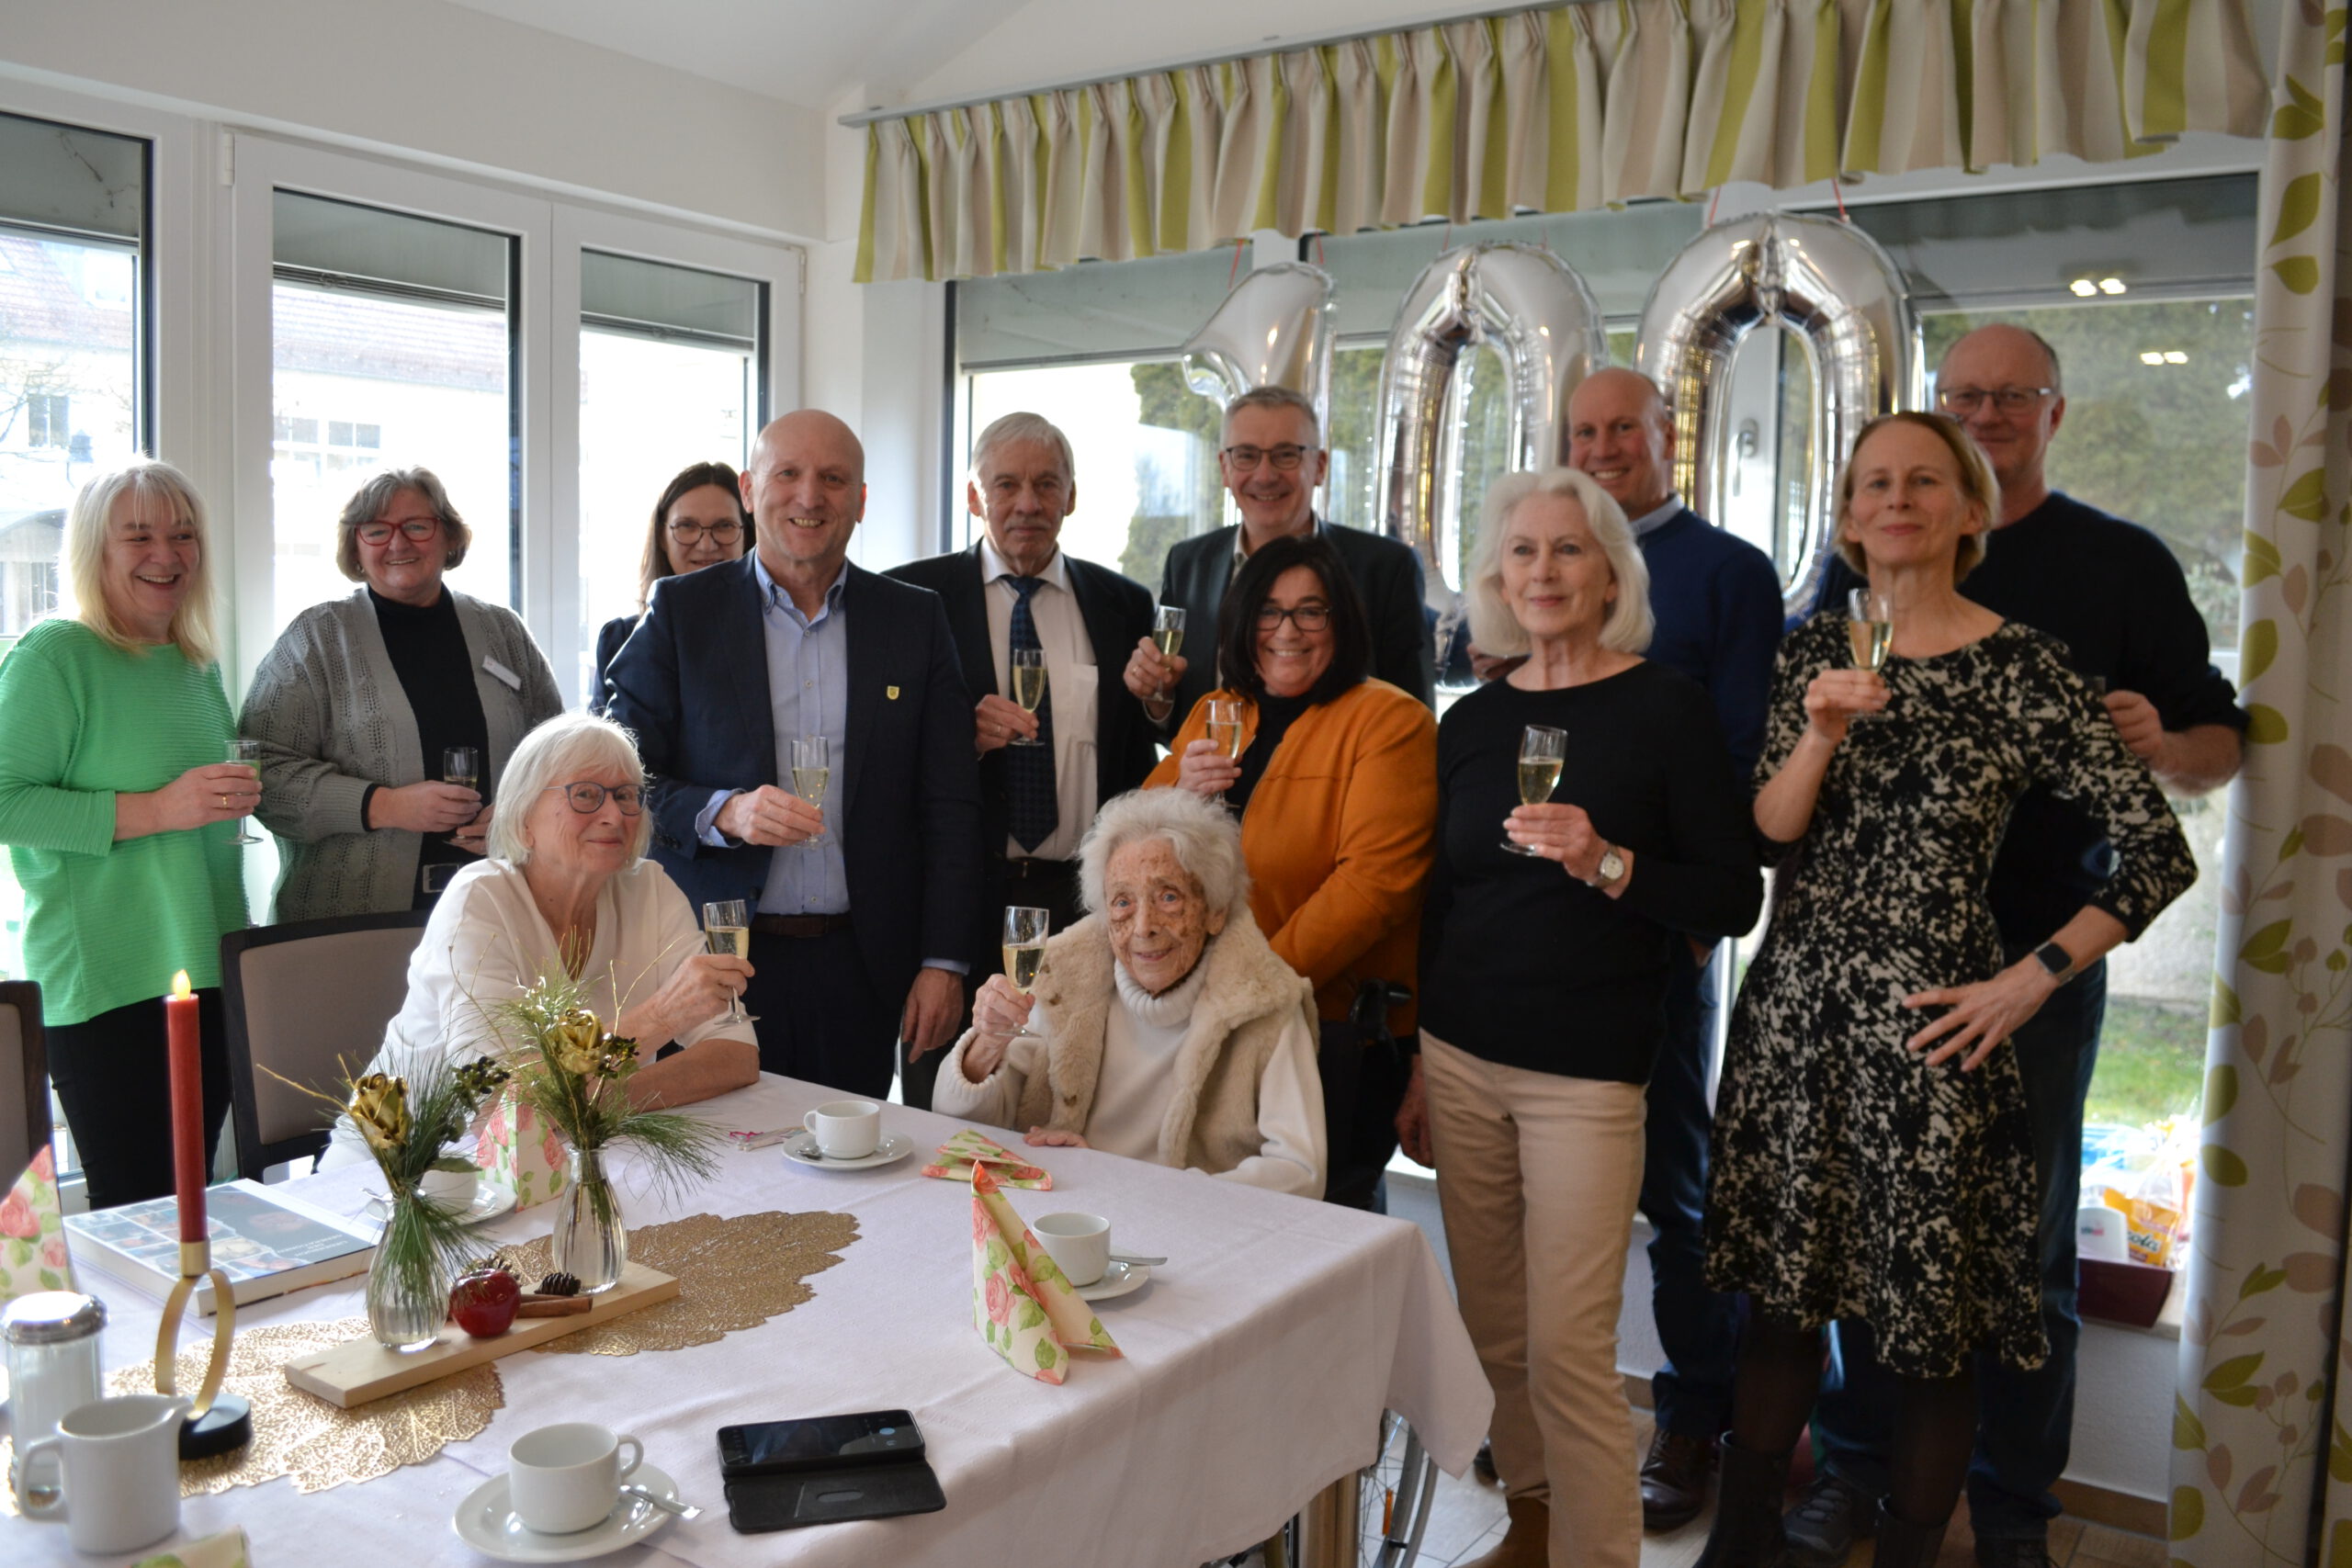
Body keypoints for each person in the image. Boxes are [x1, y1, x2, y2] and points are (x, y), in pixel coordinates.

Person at [1700, 412, 2196, 1568]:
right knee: (1778, 1308)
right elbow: (1770, 837)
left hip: (1937, 1033)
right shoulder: (1807, 651)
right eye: (1874, 481)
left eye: (1925, 480)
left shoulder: (2025, 665)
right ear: (1847, 514)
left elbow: (2156, 852)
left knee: (1925, 1338)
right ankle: (1738, 1549)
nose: (1897, 498)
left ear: (1969, 510)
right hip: (1797, 1016)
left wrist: (2033, 978)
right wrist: (1819, 729)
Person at [1794, 327, 2246, 1568]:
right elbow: (1789, 791)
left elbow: (2216, 749)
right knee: (1871, 1238)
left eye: (2010, 396)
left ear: (2052, 413)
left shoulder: (2120, 566)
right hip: (1873, 975)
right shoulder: (1849, 595)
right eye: (1962, 396)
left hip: (2037, 960)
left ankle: (2010, 1504)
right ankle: (1859, 1468)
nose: (1983, 413)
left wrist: (2157, 746)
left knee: (2022, 1250)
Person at [1398, 468, 1761, 1568]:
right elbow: (1441, 904)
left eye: (1568, 550)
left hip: (1587, 1079)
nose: (1543, 571)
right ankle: (1534, 1522)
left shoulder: (1665, 708)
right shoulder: (1474, 721)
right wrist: (1419, 1058)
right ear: (1495, 576)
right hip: (1459, 1061)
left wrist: (1606, 862)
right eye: (1522, 552)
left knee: (1567, 1348)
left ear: (1610, 575)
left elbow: (1729, 896)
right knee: (1494, 1336)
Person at [605, 409, 983, 1099]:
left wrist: (943, 961)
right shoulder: (681, 612)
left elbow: (951, 803)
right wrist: (725, 812)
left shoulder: (915, 619)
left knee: (855, 1173)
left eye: (833, 479)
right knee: (716, 1172)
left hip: (863, 966)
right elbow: (623, 779)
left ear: (861, 501)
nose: (810, 497)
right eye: (789, 474)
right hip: (713, 958)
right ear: (750, 490)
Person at [1566, 366, 1786, 1526]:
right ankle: (1555, 1415)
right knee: (1561, 1199)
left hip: (1665, 939)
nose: (1603, 448)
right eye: (1583, 431)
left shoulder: (1728, 572)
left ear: (1668, 439)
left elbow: (1746, 752)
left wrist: (1694, 915)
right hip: (1550, 945)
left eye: (1624, 431)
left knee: (1676, 1191)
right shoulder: (1549, 564)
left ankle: (1691, 1424)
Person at [321, 712, 758, 1167]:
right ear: (524, 815)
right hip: (403, 1172)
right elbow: (499, 1108)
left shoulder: (649, 887)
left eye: (627, 795)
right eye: (585, 795)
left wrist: (588, 1105)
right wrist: (659, 1019)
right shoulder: (479, 899)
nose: (614, 815)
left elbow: (735, 1054)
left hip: (558, 1160)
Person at [885, 412, 1158, 1109]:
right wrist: (961, 741)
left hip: (1082, 902)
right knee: (950, 1106)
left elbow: (1138, 748)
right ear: (975, 497)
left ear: (1072, 495)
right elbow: (878, 759)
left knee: (1076, 1098)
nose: (1028, 503)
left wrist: (1161, 707)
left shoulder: (1123, 604)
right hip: (959, 903)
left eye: (1046, 484)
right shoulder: (912, 599)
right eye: (1006, 484)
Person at [0, 462, 255, 1207]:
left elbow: (194, 815)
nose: (167, 555)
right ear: (95, 550)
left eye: (183, 535)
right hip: (107, 988)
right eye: (139, 535)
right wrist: (158, 810)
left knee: (193, 1210)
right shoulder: (55, 657)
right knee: (141, 1217)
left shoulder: (194, 665)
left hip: (206, 975)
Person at [931, 787, 1325, 1198]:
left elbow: (1300, 1172)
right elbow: (961, 1123)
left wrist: (1126, 1183)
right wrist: (987, 1045)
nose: (1143, 928)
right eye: (1122, 902)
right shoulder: (1064, 976)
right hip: (1064, 1216)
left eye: (1168, 897)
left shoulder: (1264, 999)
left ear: (1215, 910)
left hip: (1191, 1234)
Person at [240, 468, 563, 921]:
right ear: (356, 546)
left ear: (449, 536)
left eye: (417, 526)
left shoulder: (503, 631)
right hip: (353, 924)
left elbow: (558, 757)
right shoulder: (316, 640)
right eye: (377, 530)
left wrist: (520, 814)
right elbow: (262, 772)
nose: (398, 544)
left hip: (499, 913)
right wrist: (381, 805)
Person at [1126, 386, 1434, 733]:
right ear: (1225, 468)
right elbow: (1178, 714)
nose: (1264, 475)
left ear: (1319, 467)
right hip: (1210, 782)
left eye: (1285, 454)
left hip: (1341, 783)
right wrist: (1158, 697)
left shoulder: (1386, 568)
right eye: (1246, 455)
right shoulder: (1188, 563)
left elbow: (1414, 715)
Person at [591, 461, 752, 713]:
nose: (707, 544)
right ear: (661, 538)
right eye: (687, 526)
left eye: (724, 526)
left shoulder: (770, 637)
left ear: (747, 535)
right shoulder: (620, 640)